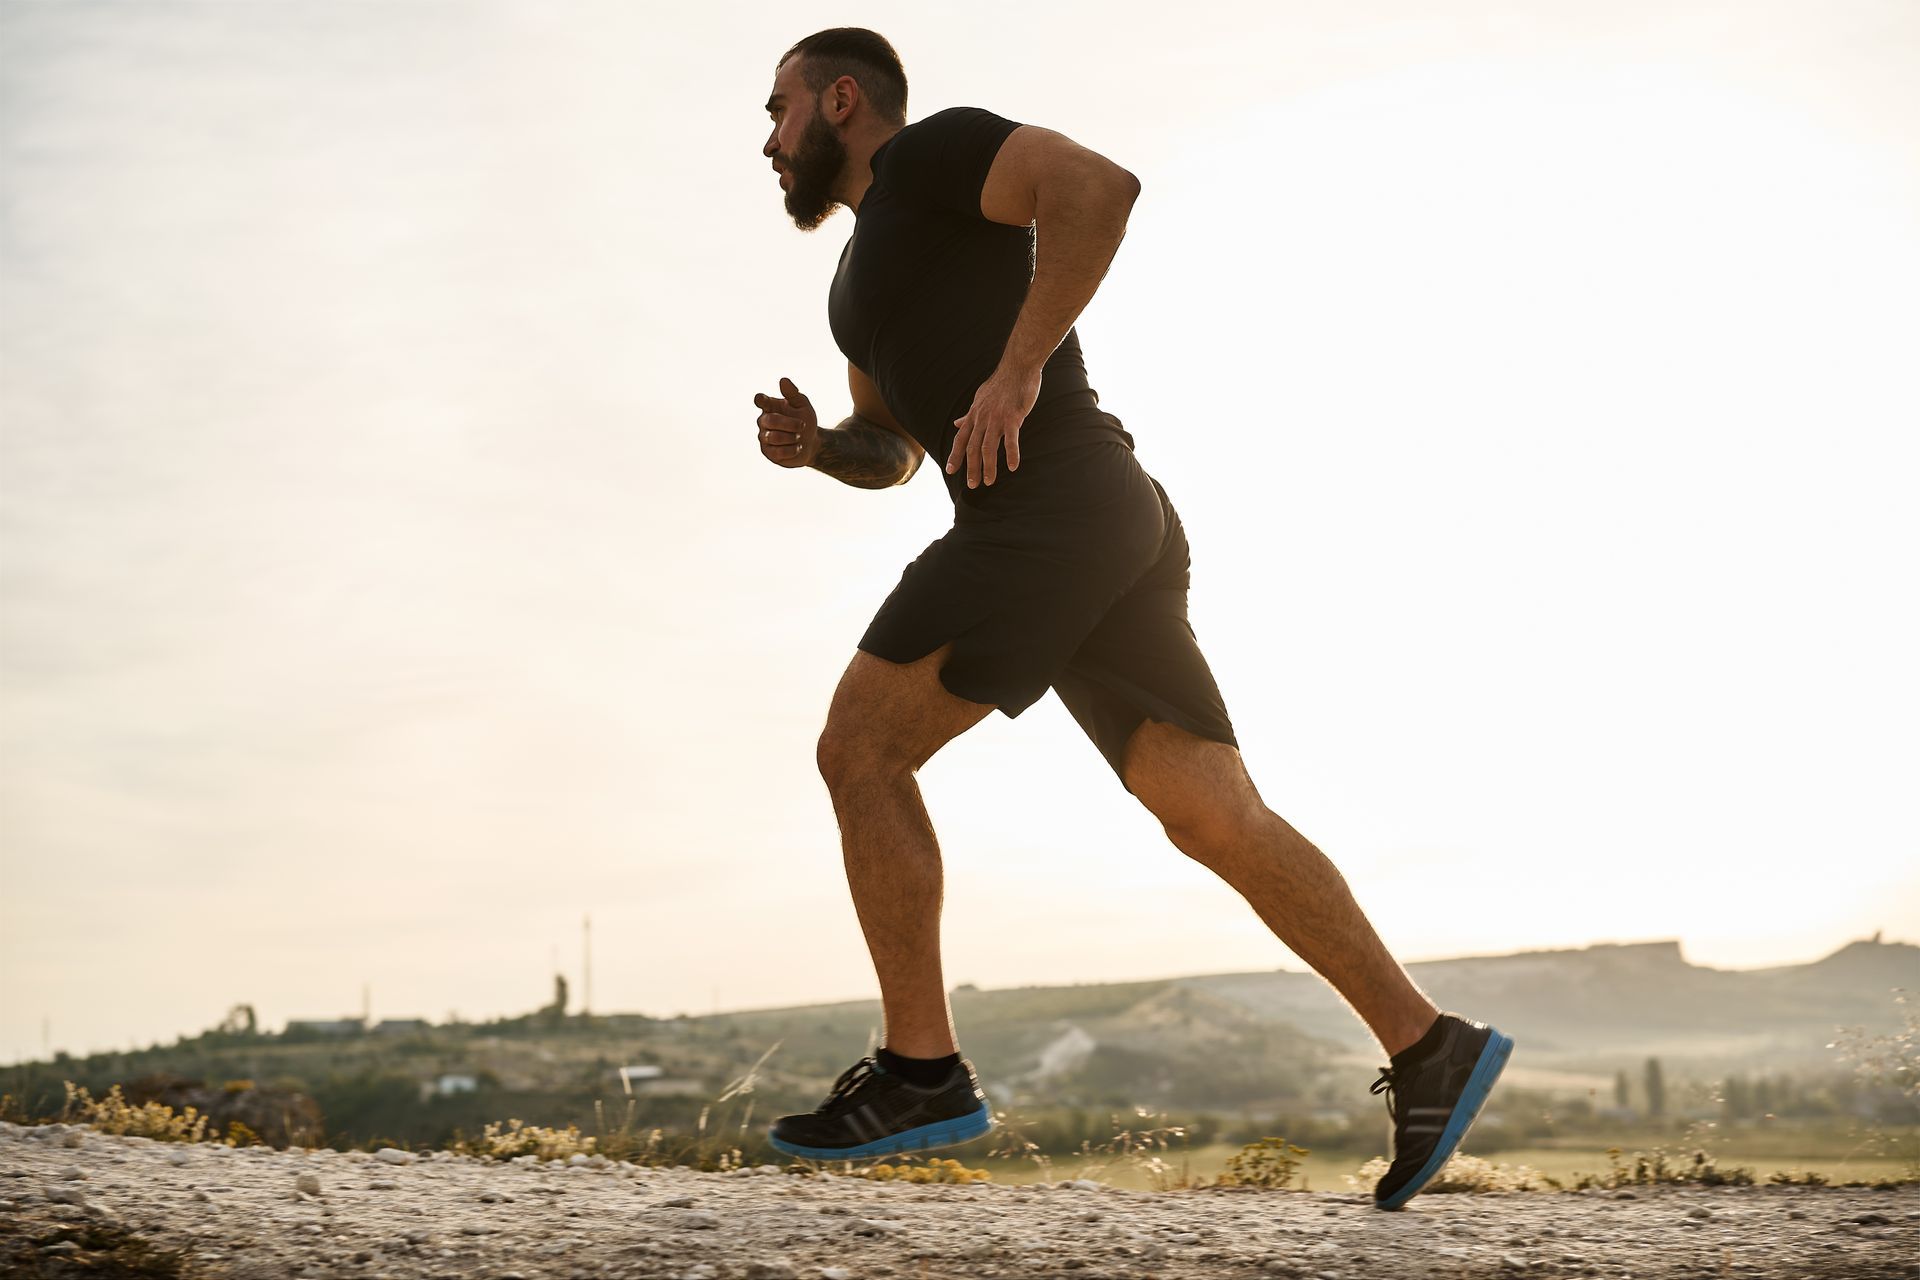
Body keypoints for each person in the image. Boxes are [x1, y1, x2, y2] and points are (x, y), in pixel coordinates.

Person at [751, 26, 1512, 1210]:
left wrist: (1018, 370)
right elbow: (892, 449)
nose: (768, 138)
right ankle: (1429, 1045)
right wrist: (818, 453)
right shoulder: (858, 283)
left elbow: (1098, 190)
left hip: (1048, 507)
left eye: (779, 108)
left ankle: (921, 1069)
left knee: (861, 746)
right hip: (1102, 523)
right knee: (1213, 813)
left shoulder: (937, 157)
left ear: (841, 102)